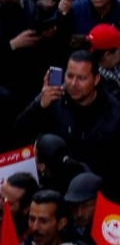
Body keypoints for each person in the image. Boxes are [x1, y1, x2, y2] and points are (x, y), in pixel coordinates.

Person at [16, 50, 120, 190]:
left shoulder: (113, 112)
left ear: (96, 79)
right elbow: (18, 134)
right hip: (56, 188)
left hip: (97, 189)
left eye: (81, 78)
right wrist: (39, 105)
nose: (73, 83)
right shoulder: (53, 100)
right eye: (70, 76)